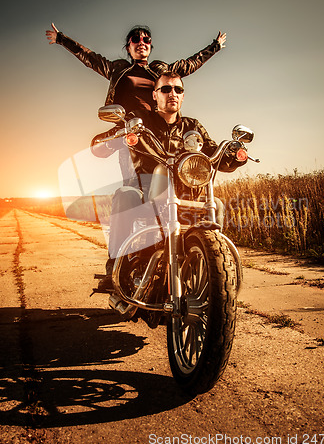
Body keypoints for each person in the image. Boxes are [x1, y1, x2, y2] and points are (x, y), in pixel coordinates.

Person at [91, 72, 246, 290]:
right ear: (155, 95)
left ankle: (213, 274)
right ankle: (116, 268)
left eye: (178, 89)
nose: (172, 93)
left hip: (186, 197)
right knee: (125, 195)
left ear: (183, 96)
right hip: (146, 194)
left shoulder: (193, 128)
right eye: (166, 89)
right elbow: (100, 144)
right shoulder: (139, 122)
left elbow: (214, 156)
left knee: (217, 204)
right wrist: (107, 141)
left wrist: (234, 155)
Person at [45, 23, 226, 114]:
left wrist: (215, 46)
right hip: (128, 130)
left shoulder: (160, 71)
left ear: (150, 46)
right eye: (136, 40)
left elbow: (189, 64)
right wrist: (62, 39)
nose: (142, 43)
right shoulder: (118, 69)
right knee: (133, 180)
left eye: (146, 40)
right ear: (128, 48)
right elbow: (90, 58)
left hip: (157, 126)